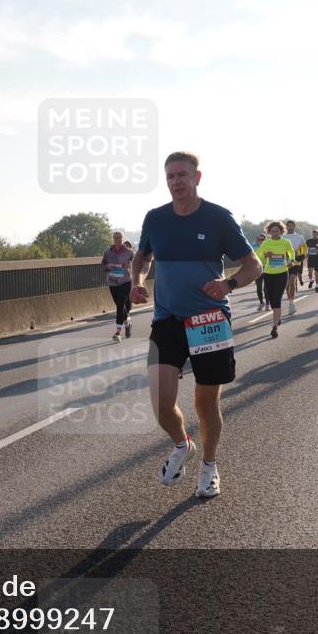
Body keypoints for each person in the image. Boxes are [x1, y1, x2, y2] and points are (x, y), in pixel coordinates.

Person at [129, 152, 262, 499]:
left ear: (197, 177)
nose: (176, 181)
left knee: (206, 404)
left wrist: (228, 285)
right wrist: (137, 280)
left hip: (210, 319)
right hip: (168, 319)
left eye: (183, 175)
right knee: (160, 403)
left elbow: (254, 265)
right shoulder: (155, 219)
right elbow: (141, 257)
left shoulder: (218, 217)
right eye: (170, 176)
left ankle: (209, 465)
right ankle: (181, 444)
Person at [255, 221, 293, 338]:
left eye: (277, 231)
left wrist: (291, 260)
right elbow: (258, 255)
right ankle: (278, 317)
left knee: (277, 299)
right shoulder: (266, 243)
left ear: (281, 231)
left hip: (282, 273)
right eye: (272, 231)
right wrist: (265, 256)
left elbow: (291, 253)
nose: (275, 233)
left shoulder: (286, 242)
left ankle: (274, 327)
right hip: (269, 274)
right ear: (269, 232)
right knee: (271, 299)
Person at [102, 231, 134, 341]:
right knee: (120, 306)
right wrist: (108, 267)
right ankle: (127, 323)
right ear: (113, 239)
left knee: (119, 306)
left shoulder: (129, 252)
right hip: (112, 282)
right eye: (115, 238)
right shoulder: (108, 252)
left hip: (125, 282)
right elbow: (103, 265)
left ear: (122, 238)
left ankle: (117, 333)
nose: (117, 239)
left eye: (119, 237)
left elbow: (137, 263)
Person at [283, 220, 306, 315]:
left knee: (292, 281)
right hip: (284, 263)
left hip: (295, 262)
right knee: (287, 285)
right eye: (289, 226)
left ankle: (291, 304)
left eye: (292, 226)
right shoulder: (282, 237)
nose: (290, 227)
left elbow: (304, 249)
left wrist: (302, 256)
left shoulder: (300, 237)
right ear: (286, 227)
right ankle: (290, 301)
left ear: (294, 227)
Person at [252, 233, 268, 310]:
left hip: (266, 269)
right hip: (258, 269)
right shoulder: (255, 246)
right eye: (260, 239)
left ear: (265, 240)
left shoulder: (268, 247)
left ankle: (268, 304)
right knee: (259, 288)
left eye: (263, 239)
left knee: (266, 288)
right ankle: (261, 303)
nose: (261, 241)